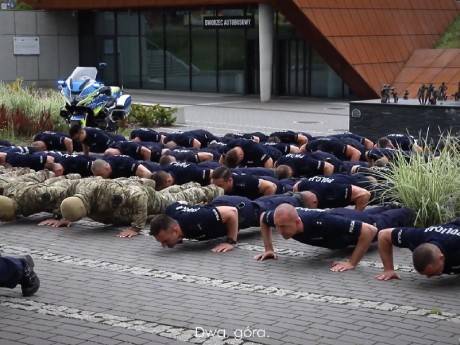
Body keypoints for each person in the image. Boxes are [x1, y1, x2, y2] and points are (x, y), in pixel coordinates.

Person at [254, 204, 414, 272]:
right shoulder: (278, 218)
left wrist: (352, 262)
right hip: (340, 218)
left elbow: (369, 231)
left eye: (284, 227)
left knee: (389, 219)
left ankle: (410, 209)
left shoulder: (320, 222)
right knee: (368, 214)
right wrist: (269, 248)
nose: (279, 231)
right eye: (277, 226)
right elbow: (263, 217)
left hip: (349, 224)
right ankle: (391, 205)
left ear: (297, 222)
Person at [60, 178, 223, 238]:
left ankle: (214, 189)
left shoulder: (105, 194)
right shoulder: (79, 191)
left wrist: (136, 228)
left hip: (145, 197)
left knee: (175, 200)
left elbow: (139, 196)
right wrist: (63, 217)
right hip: (128, 195)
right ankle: (189, 183)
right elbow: (65, 193)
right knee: (171, 194)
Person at [375, 218, 460, 280]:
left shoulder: (455, 248)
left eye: (433, 273)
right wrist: (388, 269)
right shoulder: (418, 236)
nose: (429, 277)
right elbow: (383, 235)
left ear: (441, 258)